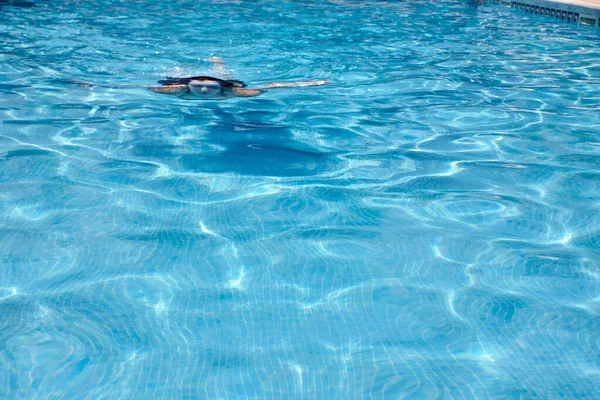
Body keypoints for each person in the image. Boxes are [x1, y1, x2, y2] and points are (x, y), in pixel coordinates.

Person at [72, 57, 330, 100]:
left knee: (227, 75)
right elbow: (133, 85)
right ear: (190, 85)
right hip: (184, 80)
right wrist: (96, 85)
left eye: (208, 87)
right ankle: (203, 67)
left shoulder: (232, 91)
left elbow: (273, 86)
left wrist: (308, 83)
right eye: (199, 86)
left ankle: (217, 64)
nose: (204, 91)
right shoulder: (176, 89)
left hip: (226, 81)